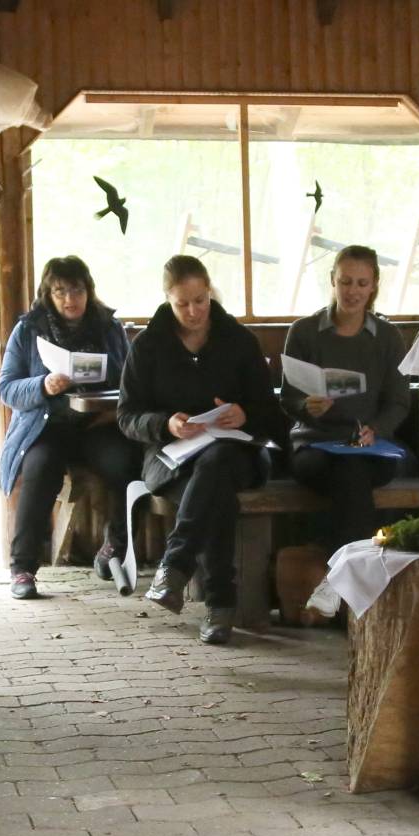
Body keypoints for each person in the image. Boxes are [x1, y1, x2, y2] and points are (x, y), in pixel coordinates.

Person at [117, 255, 286, 645]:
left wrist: (244, 413)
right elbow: (127, 416)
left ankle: (176, 565)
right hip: (172, 459)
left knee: (217, 463)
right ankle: (219, 605)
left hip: (239, 452)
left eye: (201, 300)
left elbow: (272, 415)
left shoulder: (239, 341)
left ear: (210, 292)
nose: (193, 311)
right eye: (183, 303)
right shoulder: (147, 346)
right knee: (215, 491)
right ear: (167, 299)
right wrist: (165, 424)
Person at [0, 256, 139, 599]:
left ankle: (114, 548)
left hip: (98, 424)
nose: (69, 300)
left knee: (129, 465)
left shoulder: (108, 327)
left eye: (76, 290)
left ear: (88, 291)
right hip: (46, 425)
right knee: (40, 469)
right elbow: (7, 389)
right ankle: (23, 568)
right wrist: (43, 385)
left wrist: (107, 396)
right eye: (60, 292)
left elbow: (132, 382)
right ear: (49, 294)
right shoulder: (29, 329)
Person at [281, 245, 411, 552]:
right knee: (348, 473)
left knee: (353, 471)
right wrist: (307, 406)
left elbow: (399, 402)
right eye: (345, 282)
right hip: (315, 444)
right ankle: (355, 567)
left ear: (374, 285)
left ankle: (337, 570)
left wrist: (375, 430)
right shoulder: (304, 332)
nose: (352, 291)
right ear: (333, 281)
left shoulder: (388, 337)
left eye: (361, 283)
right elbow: (289, 398)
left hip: (371, 445)